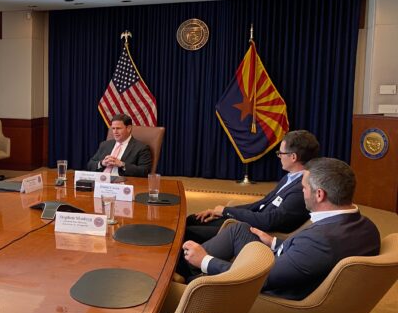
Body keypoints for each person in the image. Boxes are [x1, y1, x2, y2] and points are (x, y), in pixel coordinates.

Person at [178, 157, 381, 300]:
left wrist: (206, 261)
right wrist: (275, 242)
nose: (302, 193)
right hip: (288, 265)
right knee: (240, 230)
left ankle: (187, 283)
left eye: (304, 188)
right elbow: (309, 258)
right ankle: (187, 270)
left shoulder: (321, 241)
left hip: (269, 297)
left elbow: (258, 278)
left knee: (196, 262)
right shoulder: (368, 228)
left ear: (319, 195)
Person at [184, 130, 319, 243]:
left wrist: (226, 212)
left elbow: (269, 221)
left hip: (257, 232)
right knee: (192, 219)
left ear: (293, 157)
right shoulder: (290, 177)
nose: (279, 157)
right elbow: (262, 204)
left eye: (281, 153)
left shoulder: (302, 188)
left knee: (188, 232)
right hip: (251, 221)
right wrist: (221, 212)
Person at [86, 113, 152, 177]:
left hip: (122, 184)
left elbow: (145, 171)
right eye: (113, 128)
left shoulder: (141, 148)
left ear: (128, 128)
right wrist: (102, 163)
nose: (115, 132)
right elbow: (90, 164)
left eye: (118, 128)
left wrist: (122, 164)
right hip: (100, 181)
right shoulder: (105, 144)